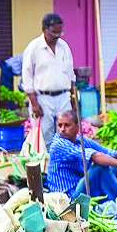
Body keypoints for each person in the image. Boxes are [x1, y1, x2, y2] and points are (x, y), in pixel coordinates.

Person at [45, 107, 117, 203]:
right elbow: (95, 157)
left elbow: (108, 152)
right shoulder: (58, 145)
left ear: (78, 127)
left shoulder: (79, 140)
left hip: (81, 189)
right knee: (100, 167)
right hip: (69, 198)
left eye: (67, 125)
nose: (62, 129)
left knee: (115, 165)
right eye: (59, 126)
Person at [22, 12, 75, 149]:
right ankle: (48, 168)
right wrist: (34, 104)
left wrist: (73, 97)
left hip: (63, 97)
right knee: (45, 137)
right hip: (42, 99)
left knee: (67, 134)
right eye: (53, 33)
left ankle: (65, 167)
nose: (57, 36)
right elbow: (27, 78)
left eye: (59, 33)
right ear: (44, 30)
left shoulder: (64, 47)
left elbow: (70, 73)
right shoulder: (33, 48)